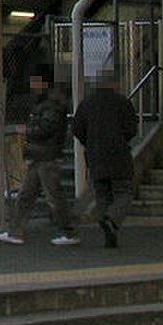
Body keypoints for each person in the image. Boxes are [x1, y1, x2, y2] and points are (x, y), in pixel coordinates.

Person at [0, 69, 78, 246]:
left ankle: (67, 232)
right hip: (42, 155)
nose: (32, 86)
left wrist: (27, 130)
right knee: (28, 195)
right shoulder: (50, 104)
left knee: (51, 196)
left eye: (35, 82)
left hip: (45, 156)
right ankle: (16, 231)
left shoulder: (50, 105)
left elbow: (46, 129)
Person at [71, 81, 139, 249]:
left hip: (95, 155)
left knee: (102, 195)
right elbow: (131, 128)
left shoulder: (86, 104)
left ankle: (107, 225)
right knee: (124, 192)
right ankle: (112, 220)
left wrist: (89, 141)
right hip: (119, 154)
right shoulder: (122, 102)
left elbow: (77, 129)